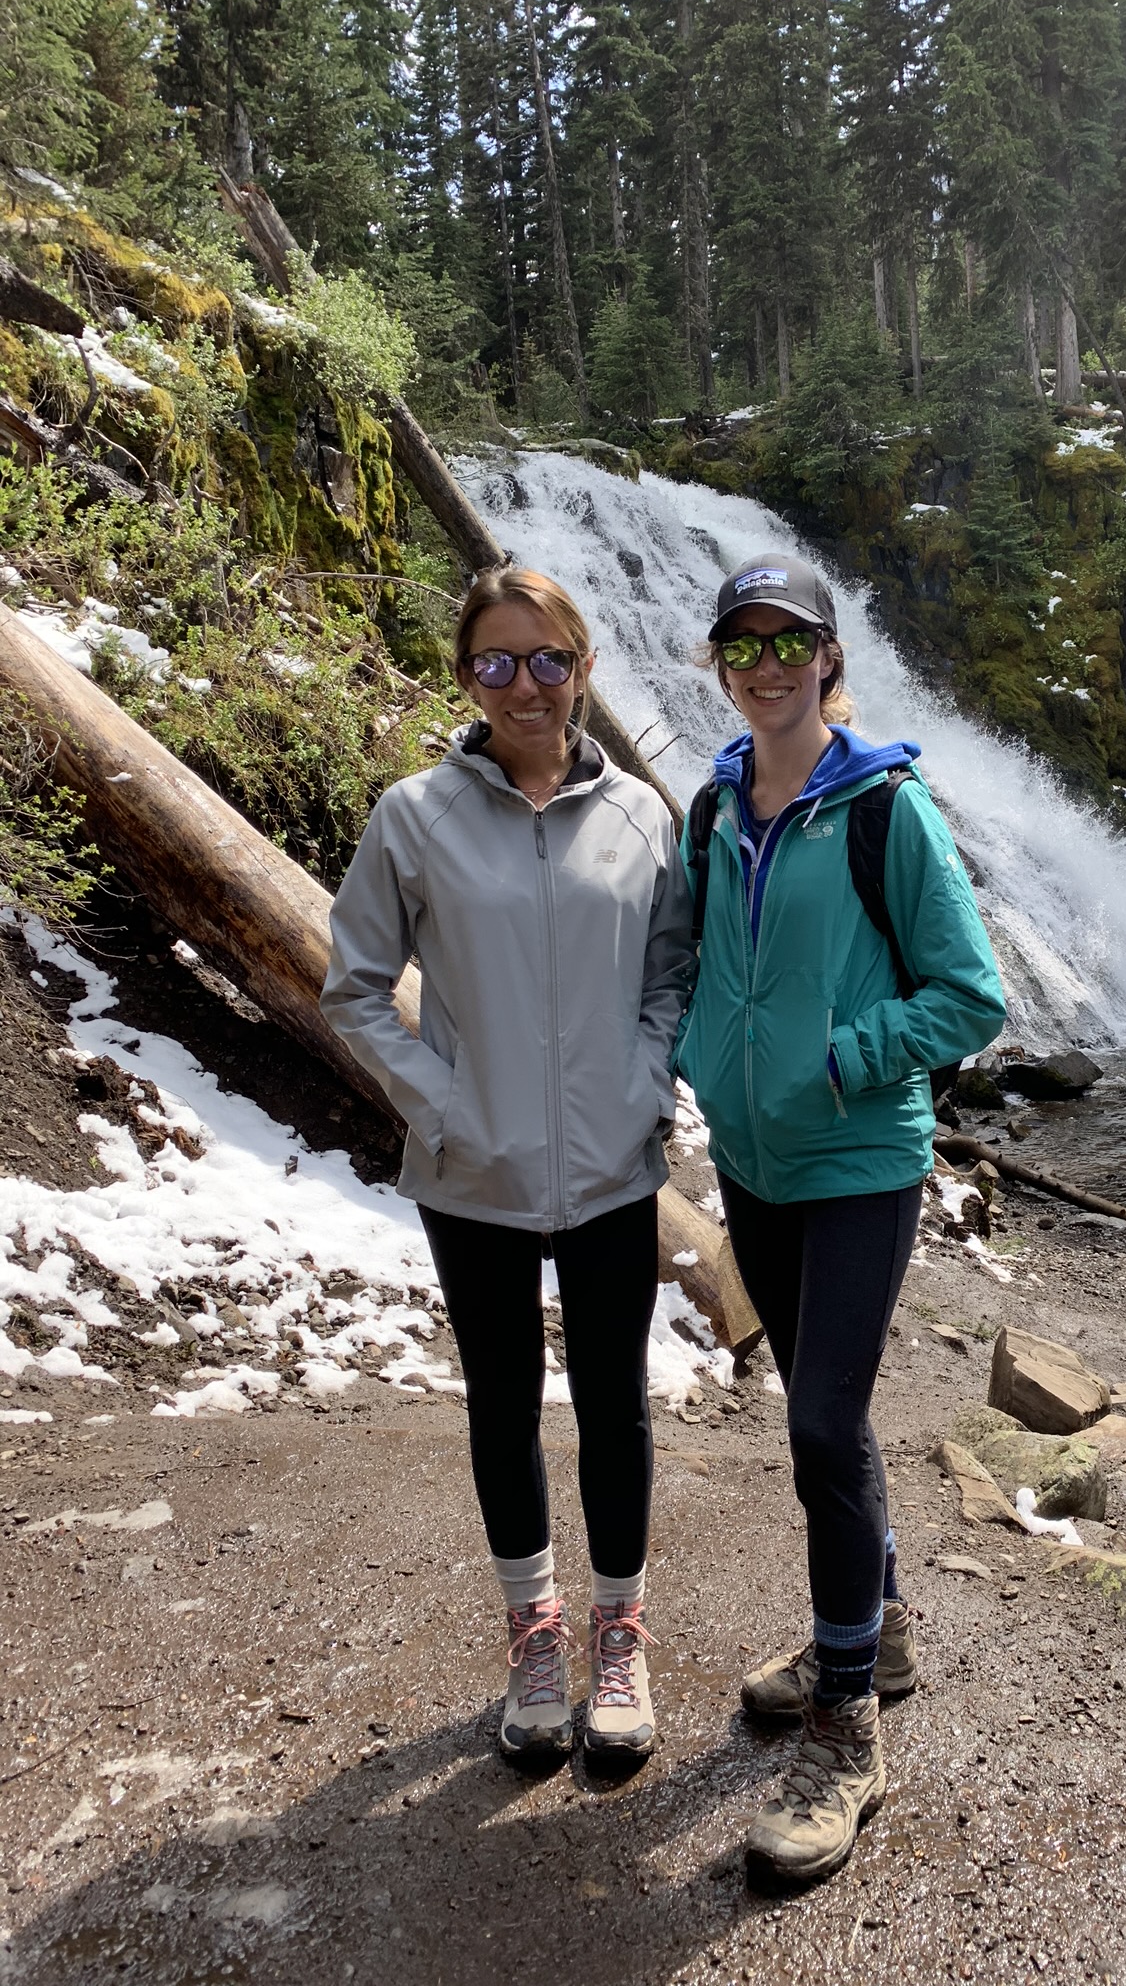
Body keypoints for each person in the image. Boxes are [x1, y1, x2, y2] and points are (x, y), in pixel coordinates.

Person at [321, 564, 692, 1770]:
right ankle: (535, 1639)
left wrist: (644, 1083)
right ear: (465, 674)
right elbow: (354, 988)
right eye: (496, 660)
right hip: (471, 1169)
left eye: (547, 659)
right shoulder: (413, 815)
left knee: (615, 1403)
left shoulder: (641, 816)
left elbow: (671, 974)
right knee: (502, 1402)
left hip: (612, 1165)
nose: (523, 684)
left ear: (583, 667)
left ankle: (619, 1639)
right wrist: (444, 1103)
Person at [675, 553, 1007, 1882]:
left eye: (787, 640)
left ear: (827, 656)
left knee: (819, 1420)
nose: (764, 664)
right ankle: (881, 1623)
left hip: (862, 1158)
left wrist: (842, 1060)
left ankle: (847, 1729)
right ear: (721, 663)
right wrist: (703, 1061)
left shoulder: (885, 809)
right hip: (754, 1163)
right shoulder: (714, 805)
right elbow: (699, 962)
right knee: (829, 1417)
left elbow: (970, 994)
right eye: (741, 643)